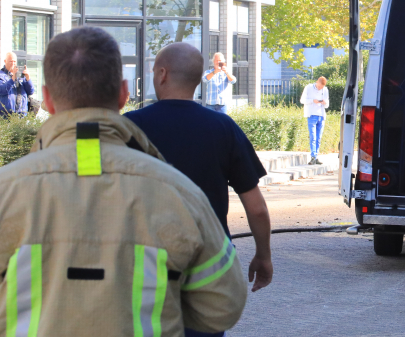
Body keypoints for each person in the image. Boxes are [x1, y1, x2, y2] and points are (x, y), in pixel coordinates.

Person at [0, 27, 247, 336]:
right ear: (123, 93)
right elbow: (223, 306)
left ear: (47, 99)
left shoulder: (7, 191)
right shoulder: (179, 192)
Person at [125, 43, 273, 305]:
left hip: (145, 260)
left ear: (162, 74)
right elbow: (257, 208)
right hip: (209, 258)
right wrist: (264, 255)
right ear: (196, 80)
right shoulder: (224, 128)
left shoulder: (130, 126)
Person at [300, 76, 329, 165]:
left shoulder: (325, 90)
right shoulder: (308, 87)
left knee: (318, 138)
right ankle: (313, 156)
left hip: (321, 116)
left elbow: (327, 105)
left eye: (322, 87)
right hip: (312, 115)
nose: (320, 88)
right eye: (319, 86)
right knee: (313, 137)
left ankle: (315, 156)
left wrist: (325, 102)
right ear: (317, 82)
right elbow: (302, 100)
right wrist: (313, 101)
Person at [0, 51, 34, 117]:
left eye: (14, 61)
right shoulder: (1, 75)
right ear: (5, 61)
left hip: (21, 115)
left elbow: (30, 91)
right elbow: (3, 90)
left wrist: (28, 78)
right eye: (11, 61)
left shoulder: (20, 75)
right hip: (5, 117)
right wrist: (13, 79)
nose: (13, 64)